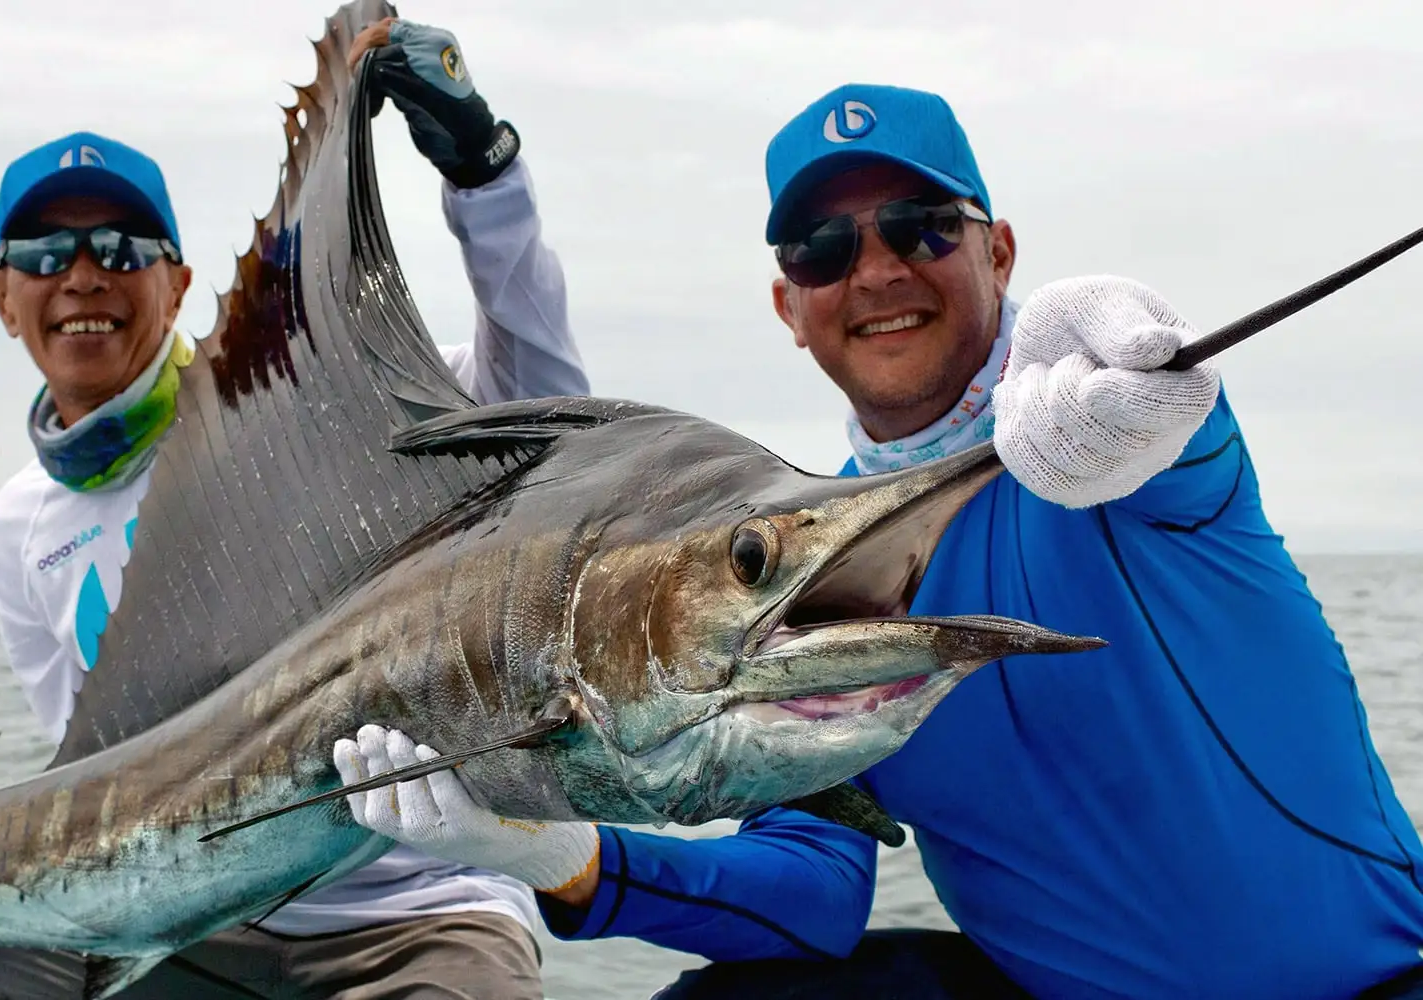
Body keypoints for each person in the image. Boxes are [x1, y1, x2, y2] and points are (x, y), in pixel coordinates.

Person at [336, 83, 1423, 1000]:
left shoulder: (1115, 447)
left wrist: (1148, 377)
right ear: (787, 304)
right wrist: (561, 860)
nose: (877, 269)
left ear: (998, 250)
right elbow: (814, 893)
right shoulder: (797, 576)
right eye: (823, 247)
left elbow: (1176, 439)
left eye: (921, 225)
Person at [0, 16, 587, 1000]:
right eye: (43, 249)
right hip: (175, 919)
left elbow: (540, 403)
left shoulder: (318, 416)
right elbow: (101, 769)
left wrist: (483, 173)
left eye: (119, 243)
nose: (83, 272)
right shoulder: (14, 527)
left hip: (412, 911)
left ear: (180, 281)